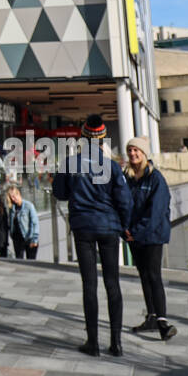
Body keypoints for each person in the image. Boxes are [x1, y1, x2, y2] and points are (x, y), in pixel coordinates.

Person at [52, 114, 132, 357]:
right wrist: (124, 225)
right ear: (102, 140)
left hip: (83, 227)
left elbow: (60, 193)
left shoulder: (70, 163)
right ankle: (116, 343)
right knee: (112, 284)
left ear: (83, 137)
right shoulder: (113, 167)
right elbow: (125, 201)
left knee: (89, 285)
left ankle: (93, 342)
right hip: (109, 227)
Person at [123, 136, 176, 340]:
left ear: (145, 154)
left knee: (153, 275)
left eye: (137, 150)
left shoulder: (156, 179)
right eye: (130, 150)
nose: (133, 154)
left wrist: (135, 231)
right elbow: (121, 203)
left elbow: (156, 213)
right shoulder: (126, 177)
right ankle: (152, 317)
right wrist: (125, 229)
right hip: (133, 235)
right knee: (144, 275)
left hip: (152, 234)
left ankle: (162, 321)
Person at [7, 183, 39, 259]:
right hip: (17, 239)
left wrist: (34, 239)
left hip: (28, 237)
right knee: (19, 261)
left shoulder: (29, 206)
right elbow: (11, 223)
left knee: (31, 262)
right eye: (11, 198)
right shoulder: (12, 208)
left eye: (14, 197)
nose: (13, 200)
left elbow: (35, 223)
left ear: (19, 194)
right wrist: (11, 234)